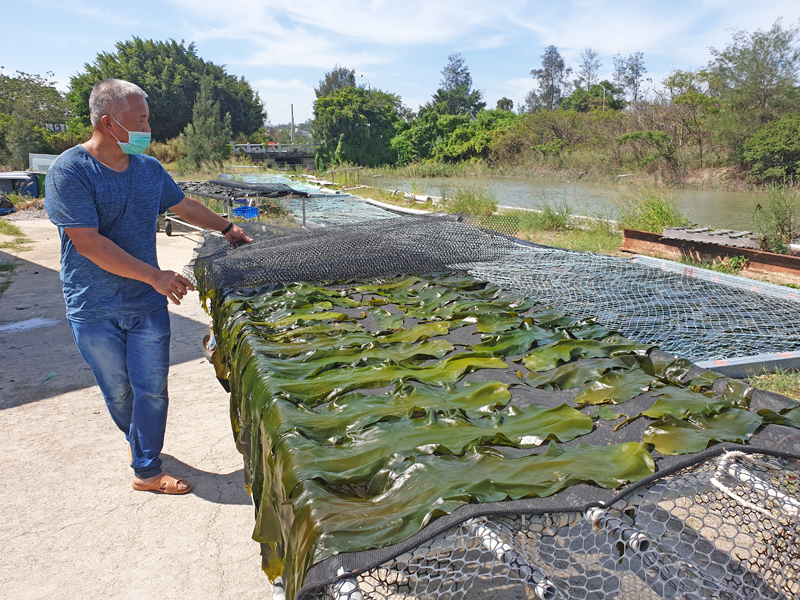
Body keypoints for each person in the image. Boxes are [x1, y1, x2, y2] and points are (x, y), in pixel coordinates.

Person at [45, 79, 252, 494]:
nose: (147, 127)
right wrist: (155, 276)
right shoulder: (71, 171)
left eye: (147, 118)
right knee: (118, 392)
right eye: (139, 119)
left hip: (146, 304)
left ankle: (146, 470)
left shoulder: (148, 169)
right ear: (108, 122)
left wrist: (227, 228)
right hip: (94, 305)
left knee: (152, 390)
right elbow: (87, 242)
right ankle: (137, 442)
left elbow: (184, 206)